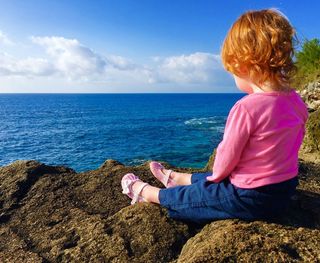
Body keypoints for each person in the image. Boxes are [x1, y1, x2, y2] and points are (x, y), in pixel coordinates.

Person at [121, 8, 309, 224]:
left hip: (250, 198)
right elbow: (294, 139)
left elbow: (226, 158)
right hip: (283, 191)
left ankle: (147, 193)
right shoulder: (295, 101)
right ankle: (175, 178)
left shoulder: (247, 107)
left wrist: (217, 179)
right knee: (213, 181)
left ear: (242, 64)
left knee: (204, 192)